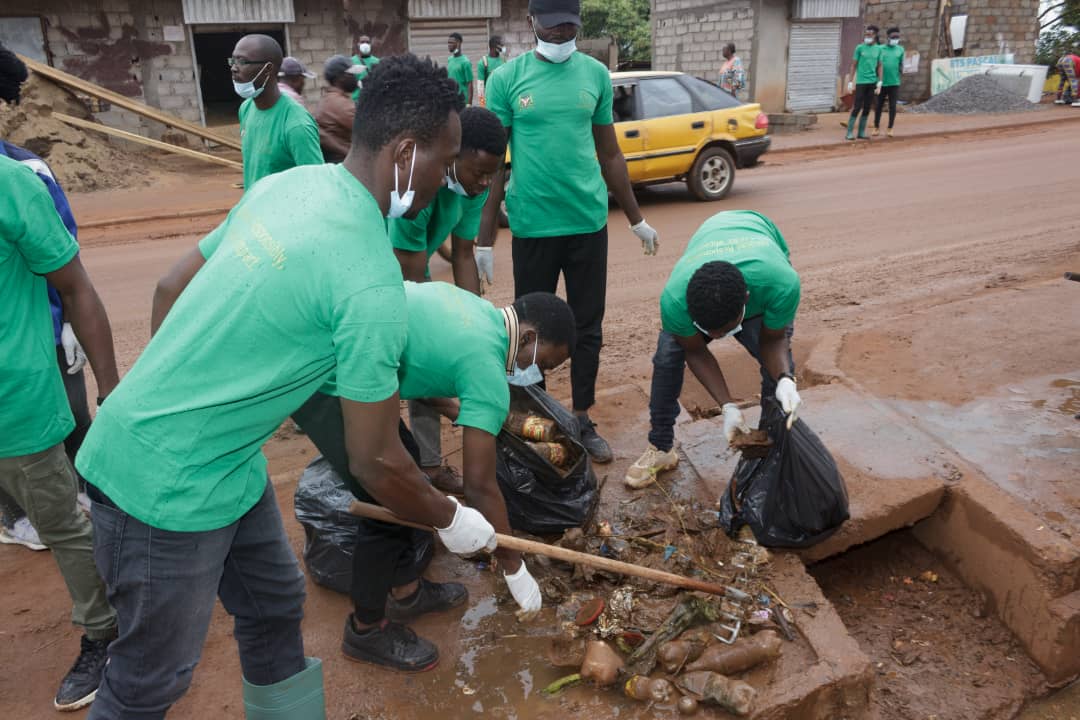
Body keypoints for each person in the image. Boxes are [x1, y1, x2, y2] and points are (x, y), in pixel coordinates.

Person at [75, 55, 491, 719]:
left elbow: (169, 287)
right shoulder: (369, 279)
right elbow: (376, 462)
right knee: (149, 681)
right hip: (162, 488)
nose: (445, 181)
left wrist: (190, 387)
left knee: (273, 608)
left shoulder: (291, 187)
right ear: (406, 154)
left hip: (227, 467)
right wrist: (454, 519)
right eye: (444, 162)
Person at [293, 282, 575, 671]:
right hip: (328, 380)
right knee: (386, 491)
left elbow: (422, 373)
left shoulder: (475, 311)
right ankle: (366, 629)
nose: (537, 372)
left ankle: (406, 591)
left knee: (407, 464)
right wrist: (514, 565)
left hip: (342, 354)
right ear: (527, 337)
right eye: (542, 363)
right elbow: (479, 486)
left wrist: (458, 408)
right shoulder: (488, 369)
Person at [480, 0, 660, 464]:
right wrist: (484, 237)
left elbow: (611, 154)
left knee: (587, 326)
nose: (561, 37)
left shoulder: (594, 75)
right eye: (552, 29)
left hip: (586, 221)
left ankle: (581, 416)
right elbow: (495, 164)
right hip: (533, 224)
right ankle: (538, 417)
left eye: (569, 30)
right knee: (530, 330)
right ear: (530, 24)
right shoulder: (506, 80)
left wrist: (636, 218)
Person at [0, 47, 119, 713]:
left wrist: (109, 383)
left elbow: (76, 287)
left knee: (62, 521)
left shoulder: (17, 183)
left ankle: (103, 630)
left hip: (16, 401)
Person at [625, 210, 802, 488]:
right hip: (713, 242)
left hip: (758, 246)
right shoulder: (675, 300)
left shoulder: (780, 283)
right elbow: (695, 351)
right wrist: (727, 406)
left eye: (726, 330)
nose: (719, 338)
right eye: (711, 332)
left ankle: (773, 446)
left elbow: (773, 339)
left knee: (777, 370)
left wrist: (784, 378)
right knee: (667, 357)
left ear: (746, 301)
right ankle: (661, 448)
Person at [390, 107, 506, 492]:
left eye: (493, 174)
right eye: (479, 172)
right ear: (454, 154)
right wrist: (453, 400)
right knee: (415, 361)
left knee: (442, 353)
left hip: (415, 265)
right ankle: (413, 468)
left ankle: (428, 464)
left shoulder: (474, 186)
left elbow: (462, 254)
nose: (485, 183)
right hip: (387, 273)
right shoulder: (417, 189)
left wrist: (477, 324)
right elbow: (410, 285)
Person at [0, 137, 93, 548]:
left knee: (71, 410)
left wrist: (71, 322)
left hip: (47, 323)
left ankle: (84, 489)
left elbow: (64, 249)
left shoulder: (27, 170)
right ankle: (15, 516)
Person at [231, 34, 322, 190]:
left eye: (242, 61)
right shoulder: (246, 109)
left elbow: (316, 184)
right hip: (254, 209)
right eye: (232, 60)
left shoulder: (297, 125)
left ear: (268, 69)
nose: (234, 67)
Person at [316, 55, 361, 163]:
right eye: (352, 74)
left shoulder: (330, 99)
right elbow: (369, 130)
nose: (356, 78)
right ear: (340, 78)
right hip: (345, 164)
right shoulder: (339, 104)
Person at [845, 25, 882, 141]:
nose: (867, 37)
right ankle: (849, 132)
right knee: (857, 107)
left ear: (875, 36)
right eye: (866, 35)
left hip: (872, 82)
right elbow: (853, 65)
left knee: (867, 107)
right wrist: (850, 81)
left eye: (870, 35)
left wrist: (880, 81)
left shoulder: (879, 49)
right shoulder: (859, 48)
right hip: (861, 82)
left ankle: (861, 132)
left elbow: (880, 66)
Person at [873, 28, 904, 137]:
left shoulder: (900, 50)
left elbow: (901, 64)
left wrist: (903, 69)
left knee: (892, 106)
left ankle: (890, 128)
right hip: (881, 83)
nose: (895, 40)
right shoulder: (880, 48)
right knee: (878, 106)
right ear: (888, 38)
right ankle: (876, 127)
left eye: (897, 38)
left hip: (894, 83)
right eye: (893, 38)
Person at [476, 36, 506, 106]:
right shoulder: (483, 62)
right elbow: (480, 87)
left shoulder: (503, 61)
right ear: (494, 46)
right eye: (501, 45)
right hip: (489, 100)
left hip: (502, 100)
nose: (503, 47)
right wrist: (482, 104)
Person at [350, 34, 380, 100]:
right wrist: (356, 82)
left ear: (370, 45)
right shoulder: (351, 61)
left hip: (372, 100)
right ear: (358, 44)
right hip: (356, 100)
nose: (365, 44)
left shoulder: (377, 61)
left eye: (367, 42)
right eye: (362, 42)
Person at [447, 32, 474, 104]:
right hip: (451, 99)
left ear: (458, 43)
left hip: (462, 101)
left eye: (451, 43)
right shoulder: (449, 59)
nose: (449, 45)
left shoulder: (465, 62)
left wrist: (469, 104)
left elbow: (470, 84)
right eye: (448, 43)